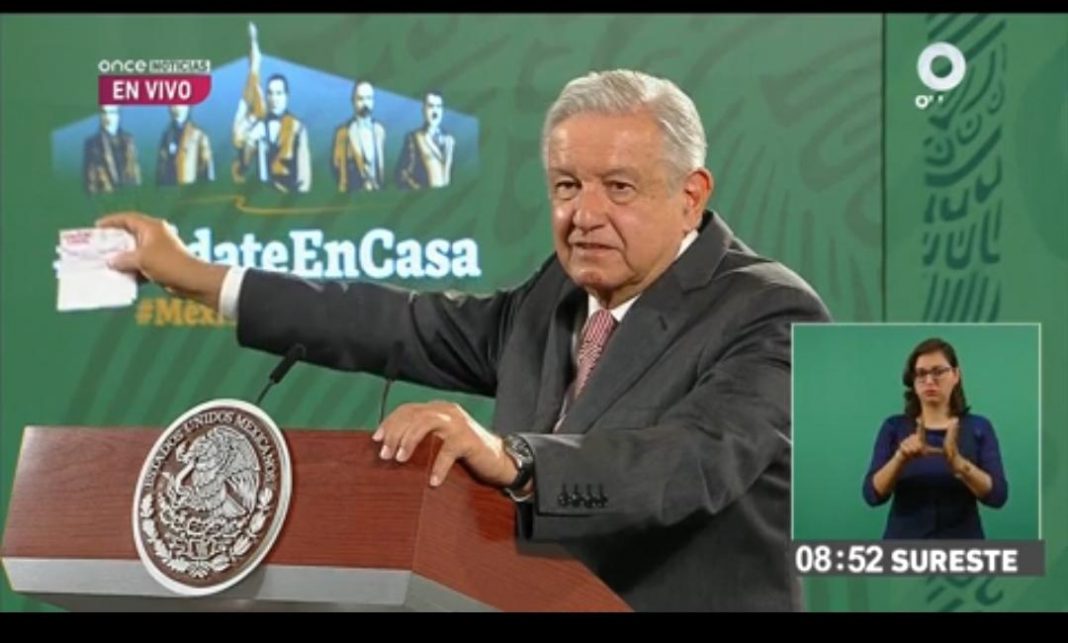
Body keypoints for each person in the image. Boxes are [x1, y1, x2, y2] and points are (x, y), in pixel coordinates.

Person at [97, 69, 830, 611]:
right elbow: (400, 324)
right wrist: (197, 276)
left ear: (691, 196)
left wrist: (517, 460)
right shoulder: (556, 294)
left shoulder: (769, 311)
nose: (583, 215)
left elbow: (691, 461)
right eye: (566, 185)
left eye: (619, 187)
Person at [862, 337, 1008, 539]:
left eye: (938, 372)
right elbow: (872, 495)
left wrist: (960, 464)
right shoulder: (894, 427)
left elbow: (998, 496)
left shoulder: (978, 427)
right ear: (913, 381)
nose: (929, 381)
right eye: (921, 373)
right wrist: (900, 458)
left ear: (956, 375)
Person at [231, 22, 312, 193]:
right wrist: (248, 145)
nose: (274, 98)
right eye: (271, 93)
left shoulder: (297, 127)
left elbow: (304, 175)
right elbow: (243, 151)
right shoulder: (260, 123)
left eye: (279, 93)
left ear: (287, 96)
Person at [332, 80, 387, 192]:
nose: (365, 103)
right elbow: (336, 165)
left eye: (369, 98)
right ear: (353, 101)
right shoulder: (343, 132)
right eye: (361, 99)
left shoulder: (380, 130)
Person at [395, 90, 454, 190]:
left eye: (438, 106)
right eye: (431, 106)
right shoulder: (413, 138)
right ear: (423, 110)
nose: (435, 112)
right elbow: (401, 175)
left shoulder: (450, 140)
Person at [84, 104, 142, 194]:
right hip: (105, 197)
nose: (107, 117)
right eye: (104, 113)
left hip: (129, 195)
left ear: (118, 115)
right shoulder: (93, 143)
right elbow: (91, 179)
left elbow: (135, 172)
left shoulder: (129, 140)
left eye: (111, 112)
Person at [157, 104, 215, 186]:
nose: (175, 107)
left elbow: (208, 172)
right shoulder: (166, 136)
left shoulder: (199, 135)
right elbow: (161, 171)